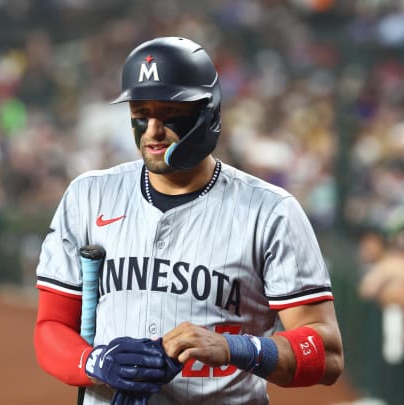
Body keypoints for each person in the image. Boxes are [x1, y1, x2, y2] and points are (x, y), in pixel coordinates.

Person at [33, 36, 344, 404]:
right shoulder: (89, 196)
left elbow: (326, 353)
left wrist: (235, 348)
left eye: (169, 114)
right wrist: (95, 362)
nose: (152, 131)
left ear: (208, 113)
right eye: (140, 113)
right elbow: (51, 327)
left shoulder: (271, 211)